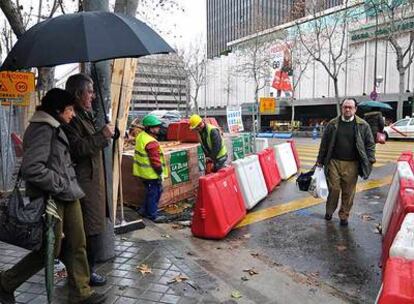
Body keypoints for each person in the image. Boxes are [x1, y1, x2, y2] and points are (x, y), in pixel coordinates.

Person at [0, 88, 106, 304]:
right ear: (57, 110)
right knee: (49, 250)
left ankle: (81, 293)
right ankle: (6, 282)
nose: (72, 114)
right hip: (51, 198)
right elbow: (32, 168)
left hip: (69, 194)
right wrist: (59, 183)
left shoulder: (56, 127)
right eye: (69, 110)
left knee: (77, 243)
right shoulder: (42, 129)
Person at [63, 73, 114, 287]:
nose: (93, 96)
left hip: (94, 182)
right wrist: (102, 136)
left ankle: (81, 270)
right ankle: (85, 272)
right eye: (89, 91)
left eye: (93, 91)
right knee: (88, 230)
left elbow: (92, 139)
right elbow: (78, 148)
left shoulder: (85, 114)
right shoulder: (70, 118)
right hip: (84, 183)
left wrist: (110, 133)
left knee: (92, 227)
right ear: (77, 94)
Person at [316, 98, 376, 226]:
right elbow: (324, 144)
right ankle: (329, 211)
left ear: (355, 109)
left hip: (352, 164)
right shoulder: (332, 124)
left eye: (350, 107)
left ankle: (344, 215)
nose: (347, 109)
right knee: (334, 189)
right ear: (341, 108)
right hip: (334, 162)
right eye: (345, 107)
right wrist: (319, 161)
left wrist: (370, 160)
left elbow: (370, 145)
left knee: (348, 192)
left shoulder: (363, 125)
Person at [133, 114, 168, 223]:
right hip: (151, 173)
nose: (158, 128)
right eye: (156, 127)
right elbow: (155, 161)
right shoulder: (151, 142)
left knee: (149, 192)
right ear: (150, 128)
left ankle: (143, 210)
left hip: (143, 172)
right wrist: (160, 173)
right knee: (155, 192)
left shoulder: (141, 136)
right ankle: (153, 215)